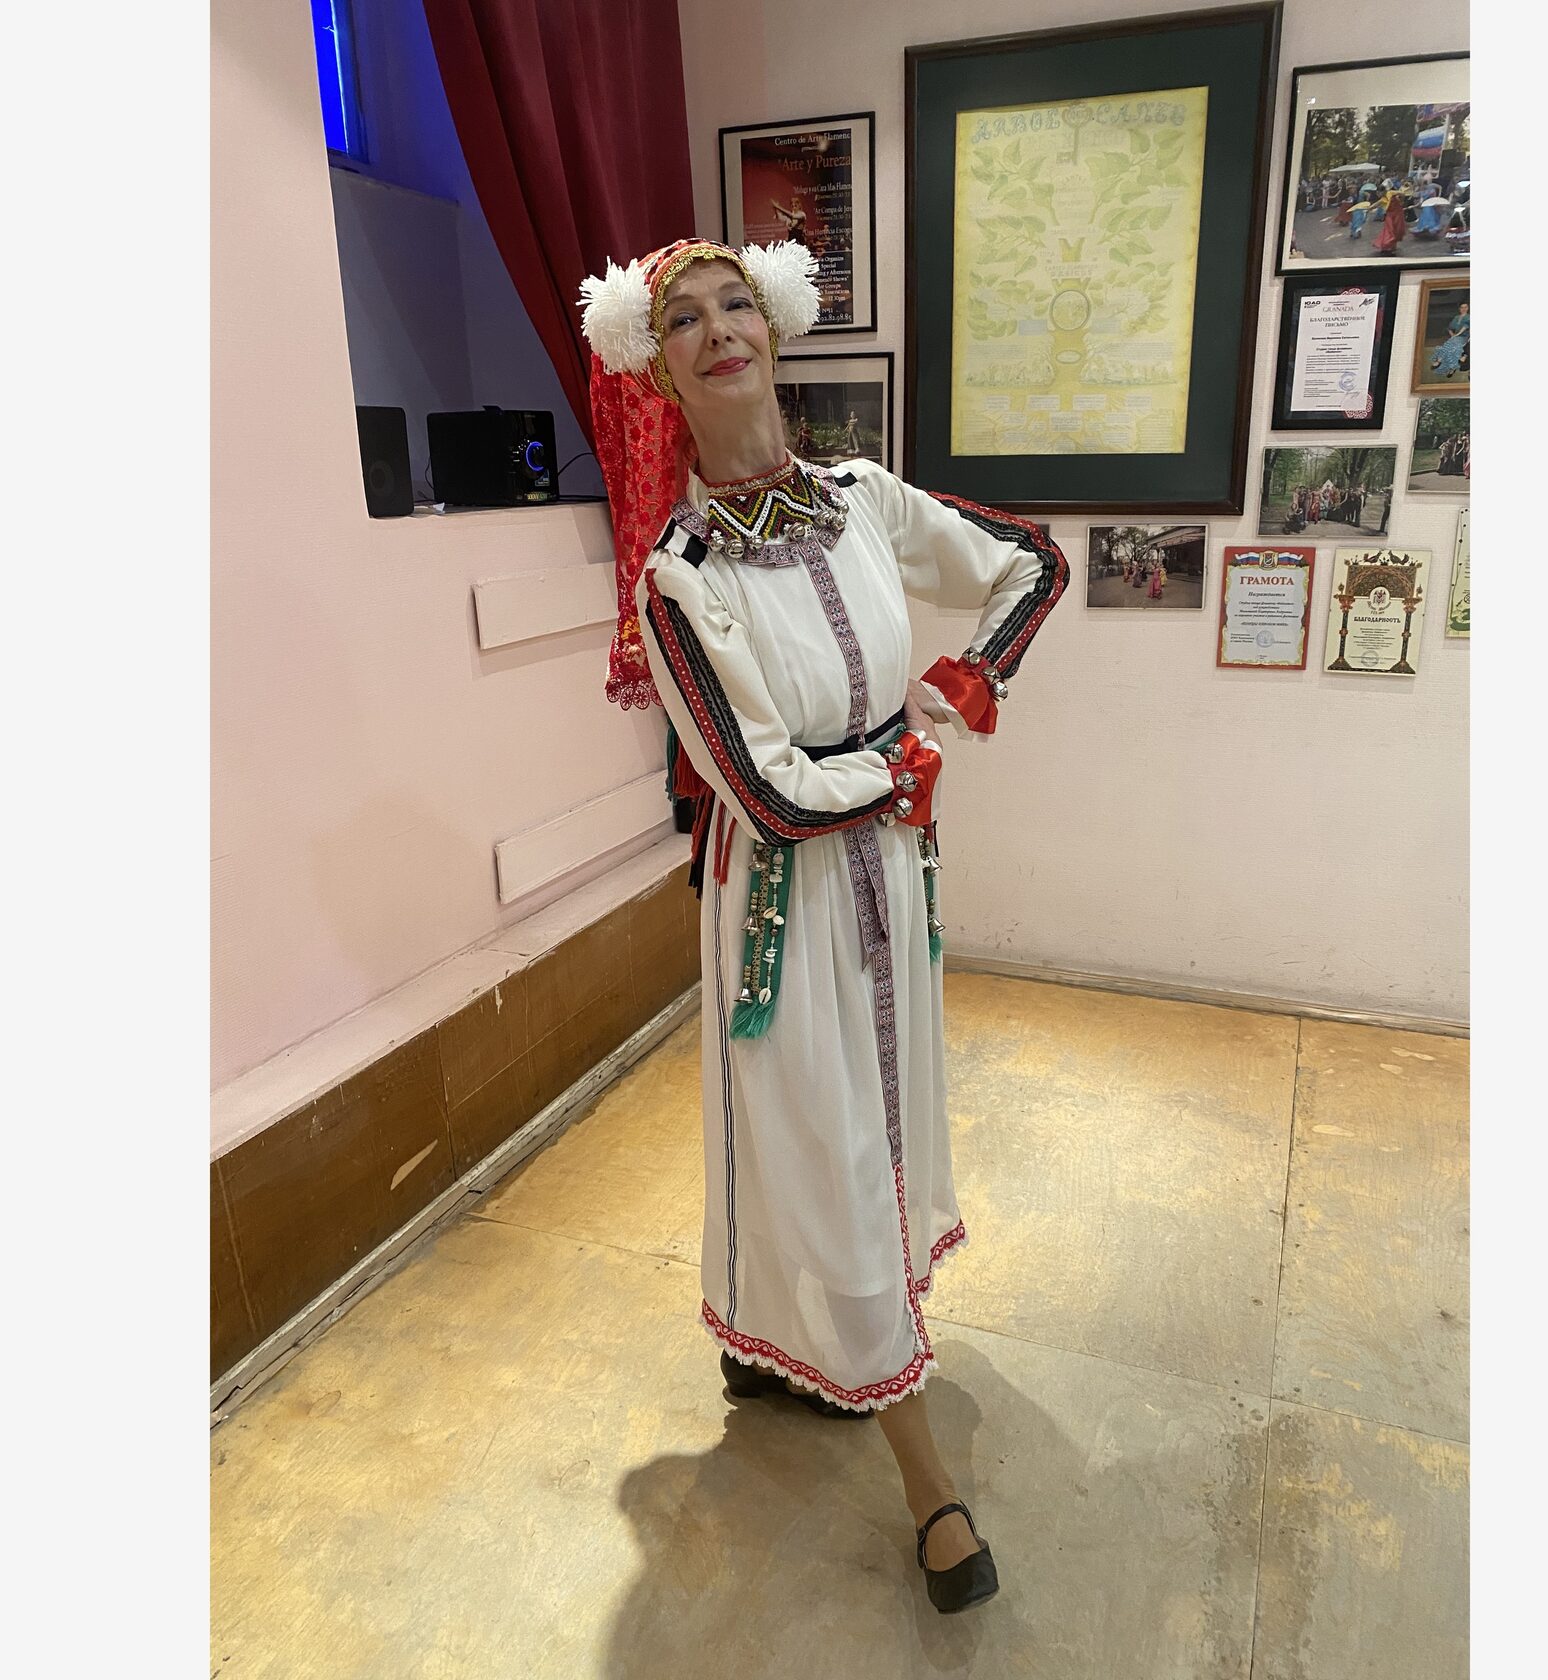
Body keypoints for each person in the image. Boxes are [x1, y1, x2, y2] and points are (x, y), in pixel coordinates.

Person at [579, 237, 1067, 1613]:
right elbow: (766, 790)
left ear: (777, 329)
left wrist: (964, 686)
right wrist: (898, 769)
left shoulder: (863, 499)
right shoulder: (679, 579)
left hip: (895, 875)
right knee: (824, 1136)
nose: (718, 328)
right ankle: (927, 1485)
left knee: (877, 1117)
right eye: (684, 318)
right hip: (785, 898)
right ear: (658, 369)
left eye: (737, 302)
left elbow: (1028, 563)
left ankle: (780, 1340)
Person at [1430, 303, 1470, 380]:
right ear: (1459, 309)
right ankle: (1444, 363)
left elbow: (1465, 327)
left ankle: (1442, 362)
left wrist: (1456, 335)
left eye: (1465, 307)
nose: (1464, 309)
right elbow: (1450, 328)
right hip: (1455, 337)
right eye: (1462, 307)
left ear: (1468, 308)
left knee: (1454, 347)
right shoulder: (1456, 317)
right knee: (1449, 346)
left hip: (1464, 337)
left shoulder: (1469, 317)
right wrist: (1452, 335)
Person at [1372, 189, 1408, 256]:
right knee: (1390, 230)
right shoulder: (1383, 199)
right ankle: (1386, 245)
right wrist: (1368, 208)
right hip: (1390, 215)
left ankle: (1391, 246)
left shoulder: (1390, 193)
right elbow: (1375, 204)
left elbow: (1402, 193)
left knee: (1397, 230)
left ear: (1382, 191)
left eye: (1378, 193)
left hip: (1397, 214)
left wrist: (1401, 201)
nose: (1378, 195)